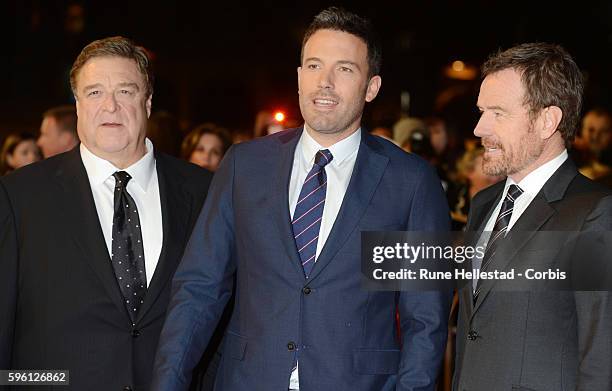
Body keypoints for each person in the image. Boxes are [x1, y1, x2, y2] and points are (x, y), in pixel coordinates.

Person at [152, 7, 451, 391]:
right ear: (298, 77)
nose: (324, 82)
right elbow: (200, 287)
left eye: (344, 69)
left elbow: (425, 318)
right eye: (313, 66)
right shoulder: (245, 165)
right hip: (248, 379)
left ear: (371, 86)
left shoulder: (412, 181)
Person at [0, 36, 212, 391]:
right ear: (78, 105)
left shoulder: (204, 192)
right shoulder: (19, 197)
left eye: (126, 92)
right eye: (95, 92)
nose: (110, 107)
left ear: (147, 103)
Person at [453, 43, 612, 390]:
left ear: (546, 121)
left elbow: (602, 358)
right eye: (481, 111)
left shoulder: (595, 212)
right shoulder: (483, 204)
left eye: (498, 113)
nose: (480, 128)